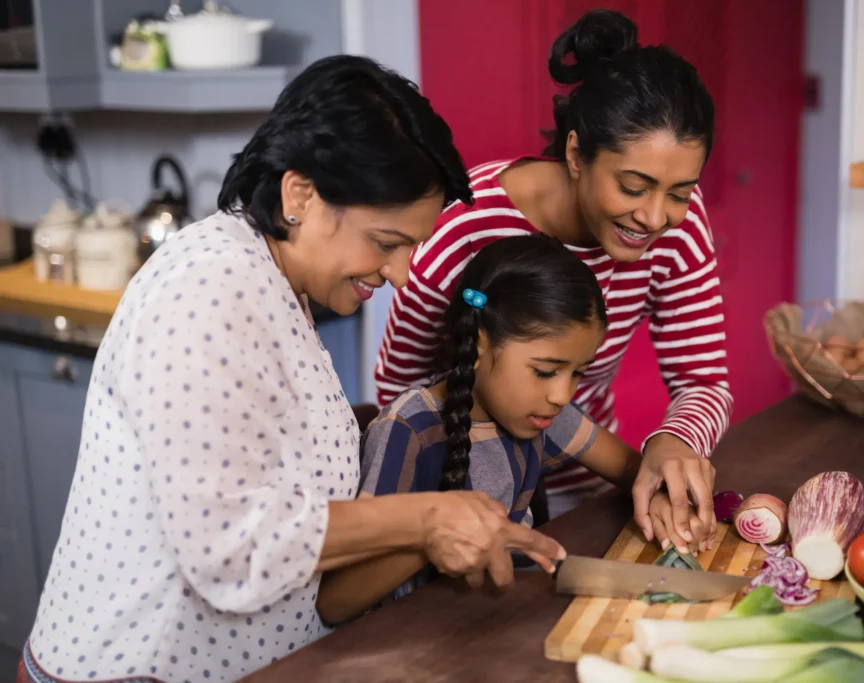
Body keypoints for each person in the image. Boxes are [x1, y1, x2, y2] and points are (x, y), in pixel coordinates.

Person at [17, 55, 568, 683]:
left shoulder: (272, 281)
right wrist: (428, 515)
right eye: (387, 243)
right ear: (300, 194)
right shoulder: (208, 289)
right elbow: (230, 545)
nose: (400, 274)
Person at [374, 8, 731, 544]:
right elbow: (400, 390)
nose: (657, 217)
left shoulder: (681, 225)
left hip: (589, 487)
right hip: (459, 504)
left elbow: (702, 380)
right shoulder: (465, 226)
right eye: (634, 187)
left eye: (679, 192)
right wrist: (453, 510)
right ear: (575, 154)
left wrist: (674, 442)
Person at [315, 234, 697, 623]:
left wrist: (661, 494)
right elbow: (336, 601)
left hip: (495, 626)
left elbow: (637, 472)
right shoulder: (410, 430)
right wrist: (434, 535)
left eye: (577, 373)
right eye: (545, 371)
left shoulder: (540, 409)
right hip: (414, 642)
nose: (562, 394)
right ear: (480, 343)